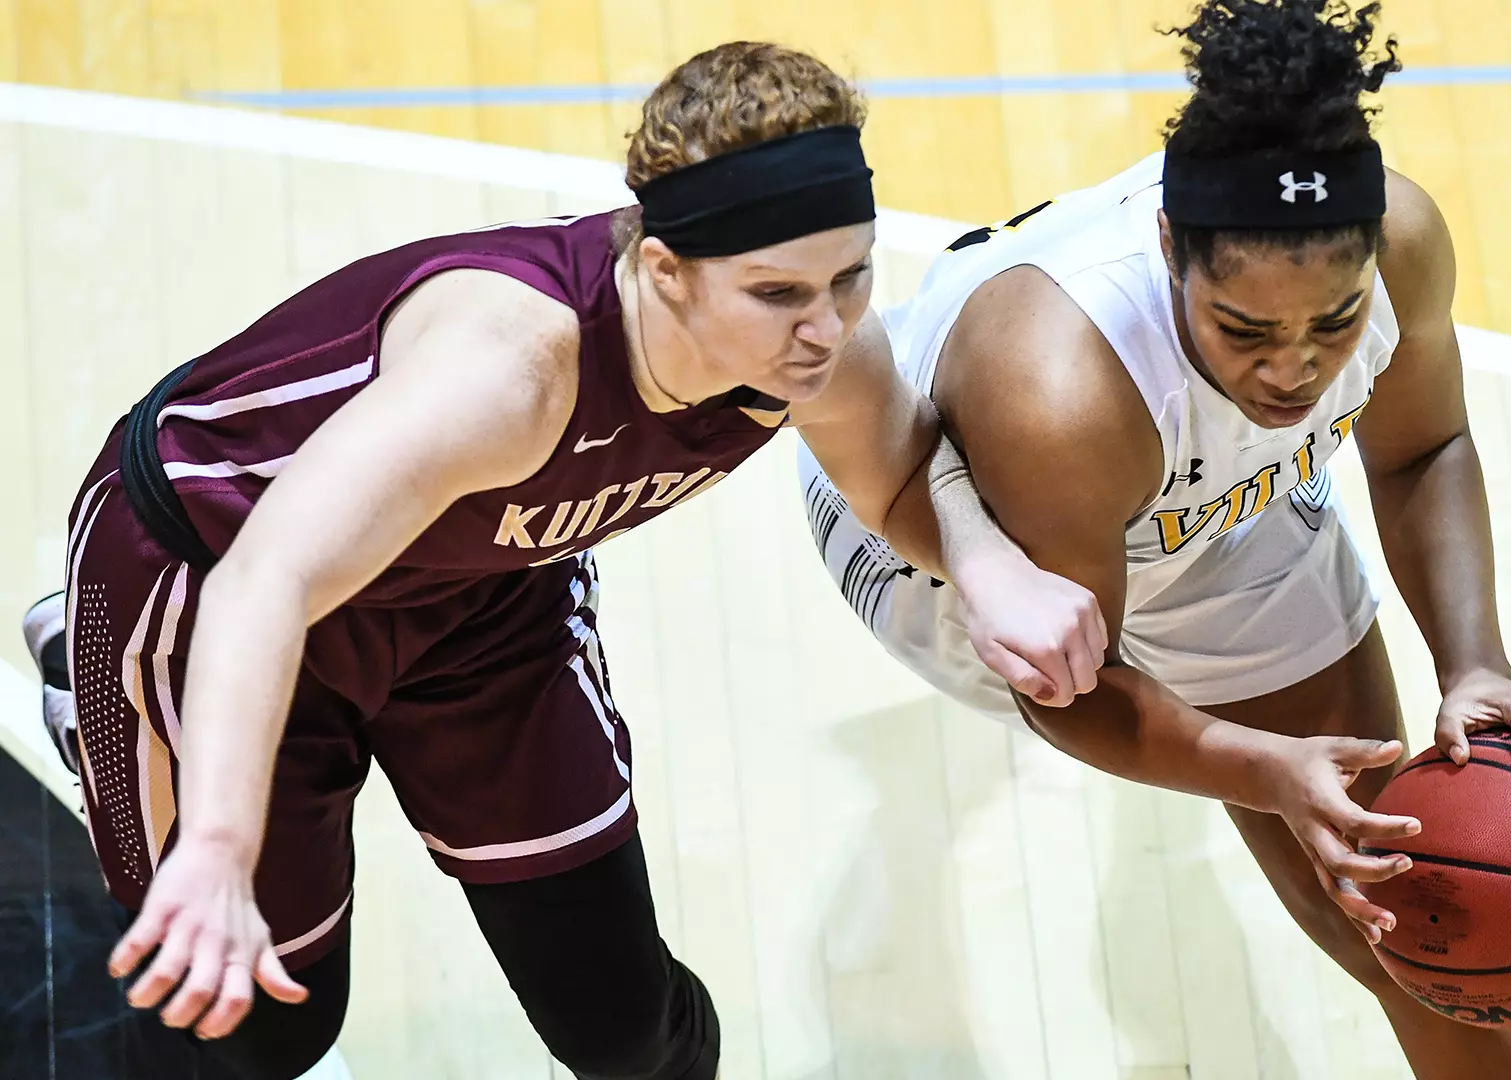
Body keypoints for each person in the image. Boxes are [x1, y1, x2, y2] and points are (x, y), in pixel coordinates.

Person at [20, 41, 1105, 1080]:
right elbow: (272, 577)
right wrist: (214, 844)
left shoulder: (817, 355)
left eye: (854, 278)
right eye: (778, 294)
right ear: (667, 272)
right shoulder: (510, 372)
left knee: (625, 1034)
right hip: (221, 577)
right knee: (265, 1032)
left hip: (485, 594)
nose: (825, 329)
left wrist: (983, 564)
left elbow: (904, 468)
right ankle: (94, 671)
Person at [799, 2, 1511, 1077]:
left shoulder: (1404, 242)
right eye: (1244, 329)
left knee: (1422, 926)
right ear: (1171, 245)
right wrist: (1263, 767)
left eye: (1332, 324)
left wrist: (1476, 667)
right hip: (949, 531)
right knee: (1305, 818)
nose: (1293, 370)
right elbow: (1067, 683)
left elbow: (1422, 447)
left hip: (1211, 510)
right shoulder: (1059, 390)